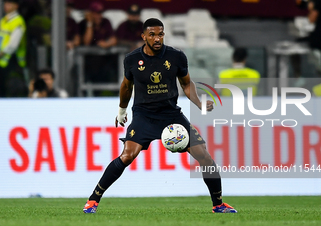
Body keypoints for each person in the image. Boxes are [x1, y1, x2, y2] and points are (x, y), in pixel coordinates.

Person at [83, 18, 237, 214]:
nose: (157, 38)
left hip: (171, 114)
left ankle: (219, 204)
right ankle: (93, 200)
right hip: (143, 115)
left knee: (204, 155)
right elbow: (126, 86)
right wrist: (122, 111)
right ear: (144, 36)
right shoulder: (131, 59)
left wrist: (199, 104)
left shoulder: (176, 57)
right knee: (127, 155)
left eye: (161, 34)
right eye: (153, 34)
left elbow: (187, 84)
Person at [78, 1, 118, 87]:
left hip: (104, 60)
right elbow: (86, 42)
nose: (99, 16)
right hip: (87, 61)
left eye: (100, 13)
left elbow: (114, 39)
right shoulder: (83, 23)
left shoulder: (106, 22)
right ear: (91, 13)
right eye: (96, 13)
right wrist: (90, 23)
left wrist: (107, 43)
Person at [0, 0, 27, 97]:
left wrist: (1, 53)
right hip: (2, 61)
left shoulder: (18, 22)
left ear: (16, 6)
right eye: (5, 3)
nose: (6, 6)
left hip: (12, 61)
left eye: (9, 4)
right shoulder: (4, 20)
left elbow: (13, 45)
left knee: (9, 89)